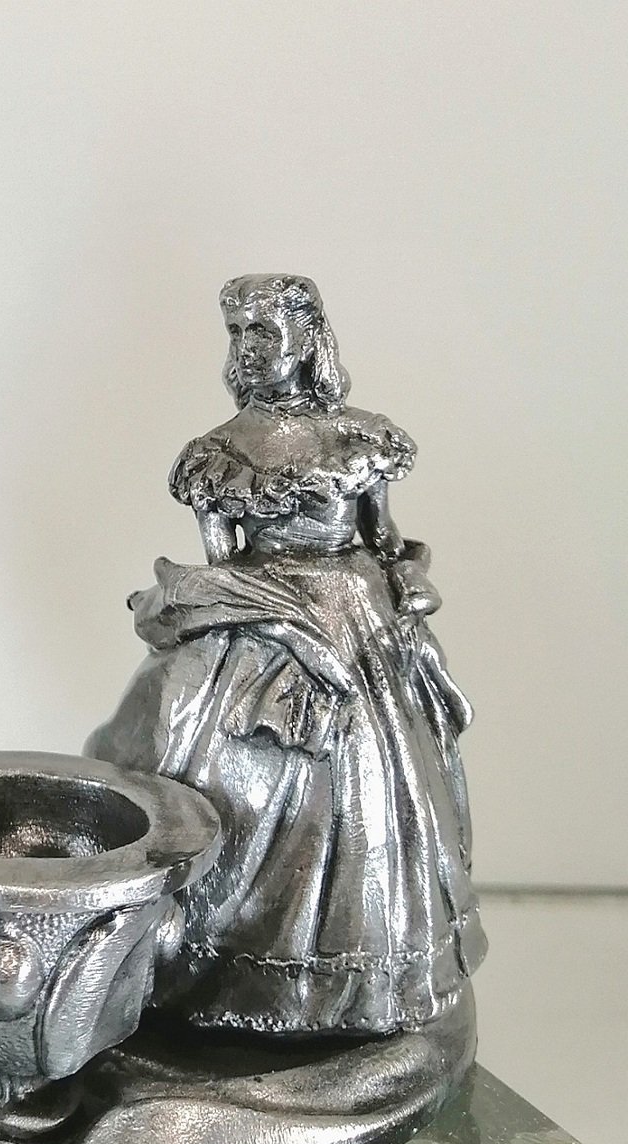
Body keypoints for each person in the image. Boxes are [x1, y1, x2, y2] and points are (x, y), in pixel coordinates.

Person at [87, 274, 485, 1036]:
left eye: (265, 331)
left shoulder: (358, 440)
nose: (249, 348)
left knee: (370, 785)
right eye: (238, 333)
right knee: (203, 751)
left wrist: (407, 587)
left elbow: (383, 539)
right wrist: (272, 619)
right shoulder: (217, 454)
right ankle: (221, 963)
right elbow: (223, 565)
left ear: (307, 341)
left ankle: (360, 976)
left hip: (357, 619)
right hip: (259, 616)